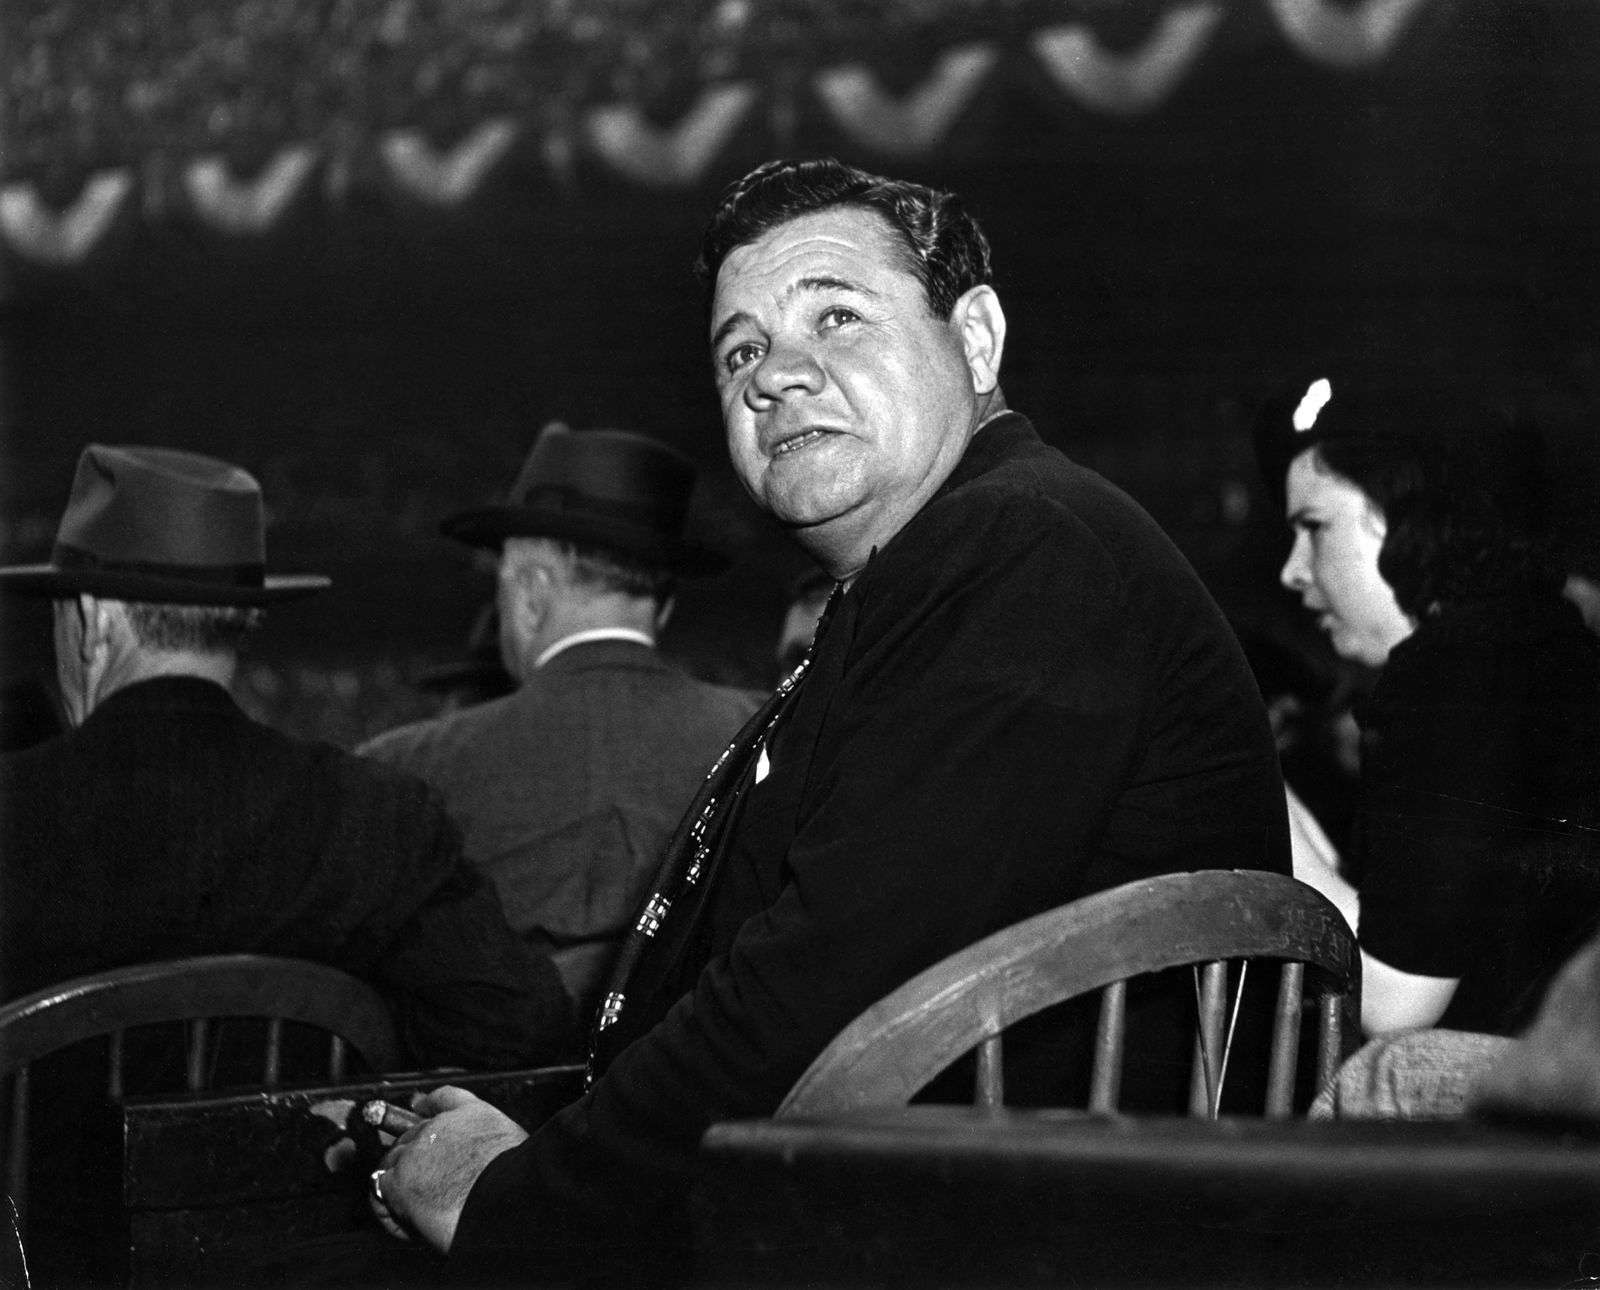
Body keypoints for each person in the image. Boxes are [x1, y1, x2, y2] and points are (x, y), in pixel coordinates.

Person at [369, 158, 1290, 1282]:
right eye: (742, 350)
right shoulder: (945, 569)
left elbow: (829, 987)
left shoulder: (1018, 548)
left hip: (980, 1244)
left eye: (836, 317)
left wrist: (512, 1200)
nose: (775, 378)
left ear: (978, 338)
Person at [0, 443, 574, 1064]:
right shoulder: (375, 823)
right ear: (243, 619)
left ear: (93, 620)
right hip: (284, 1163)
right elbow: (520, 1028)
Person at [360, 422, 763, 1020]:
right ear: (665, 602)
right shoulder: (771, 732)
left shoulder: (403, 768)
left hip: (479, 1106)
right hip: (712, 1097)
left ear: (530, 590)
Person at [1256, 362, 1600, 1040]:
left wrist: (1255, 792)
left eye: (1315, 527)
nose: (1291, 570)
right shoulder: (1538, 643)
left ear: (1396, 515)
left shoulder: (1454, 679)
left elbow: (1393, 1004)